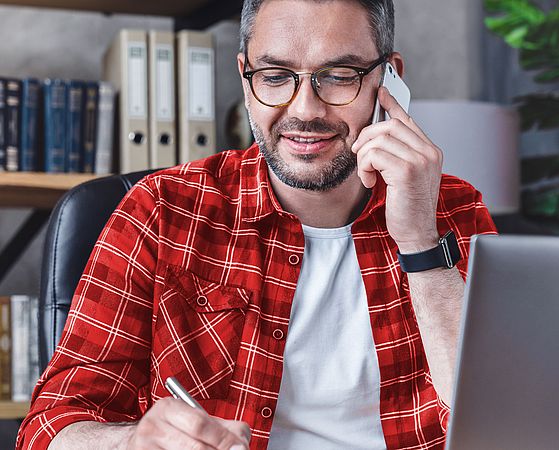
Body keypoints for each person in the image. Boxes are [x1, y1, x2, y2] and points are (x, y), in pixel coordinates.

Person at [17, 0, 496, 449]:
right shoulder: (161, 211)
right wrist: (133, 442)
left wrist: (421, 243)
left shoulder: (451, 209)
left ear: (390, 80)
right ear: (245, 77)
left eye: (339, 75)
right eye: (275, 75)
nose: (305, 110)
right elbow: (49, 425)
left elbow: (506, 418)